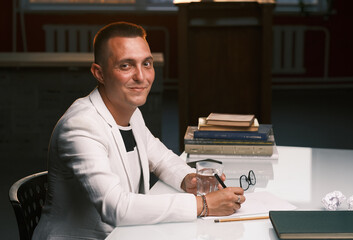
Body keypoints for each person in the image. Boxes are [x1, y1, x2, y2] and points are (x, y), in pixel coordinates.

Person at [32, 21, 245, 240]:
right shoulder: (80, 126)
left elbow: (161, 158)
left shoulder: (130, 111)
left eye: (147, 64)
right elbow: (115, 208)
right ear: (99, 73)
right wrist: (203, 204)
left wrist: (188, 179)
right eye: (126, 65)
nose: (141, 77)